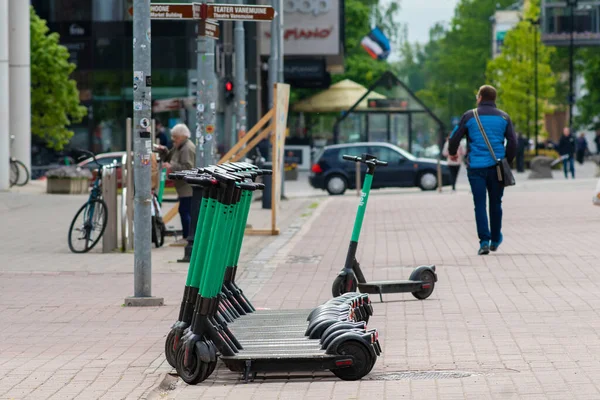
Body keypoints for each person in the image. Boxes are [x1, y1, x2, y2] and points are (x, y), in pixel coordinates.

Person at [448, 85, 517, 256]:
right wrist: (507, 160)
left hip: (476, 168)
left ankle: (484, 242)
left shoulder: (469, 116)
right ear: (494, 99)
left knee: (479, 204)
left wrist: (452, 153)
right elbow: (513, 142)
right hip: (497, 168)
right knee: (496, 203)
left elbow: (454, 137)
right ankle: (495, 239)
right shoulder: (504, 117)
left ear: (479, 97)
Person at [155, 124, 196, 243]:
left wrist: (171, 166)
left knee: (185, 211)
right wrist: (163, 151)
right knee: (184, 210)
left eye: (175, 137)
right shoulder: (179, 146)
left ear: (182, 137)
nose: (173, 139)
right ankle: (187, 236)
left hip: (187, 187)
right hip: (183, 187)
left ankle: (188, 237)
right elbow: (169, 157)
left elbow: (188, 167)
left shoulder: (187, 148)